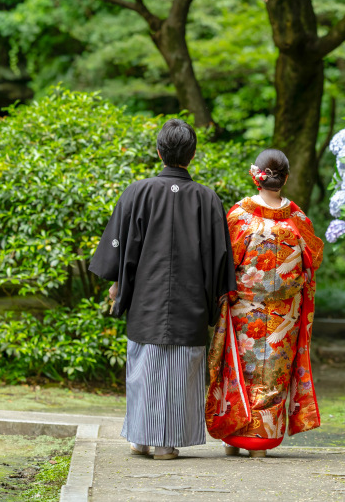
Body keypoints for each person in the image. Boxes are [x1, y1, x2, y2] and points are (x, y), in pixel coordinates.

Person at [89, 118, 237, 460]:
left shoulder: (137, 192)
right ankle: (165, 444)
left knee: (145, 368)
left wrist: (117, 287)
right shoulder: (207, 198)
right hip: (190, 306)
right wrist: (216, 299)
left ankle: (141, 438)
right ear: (193, 155)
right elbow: (219, 258)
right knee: (182, 373)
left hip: (146, 301)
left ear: (159, 152)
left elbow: (121, 248)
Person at [205, 149, 324, 458]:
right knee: (273, 372)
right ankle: (262, 439)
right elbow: (313, 261)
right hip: (285, 314)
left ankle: (233, 434)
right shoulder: (297, 218)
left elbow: (223, 264)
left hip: (244, 310)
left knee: (240, 369)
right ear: (285, 178)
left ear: (255, 175)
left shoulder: (239, 216)